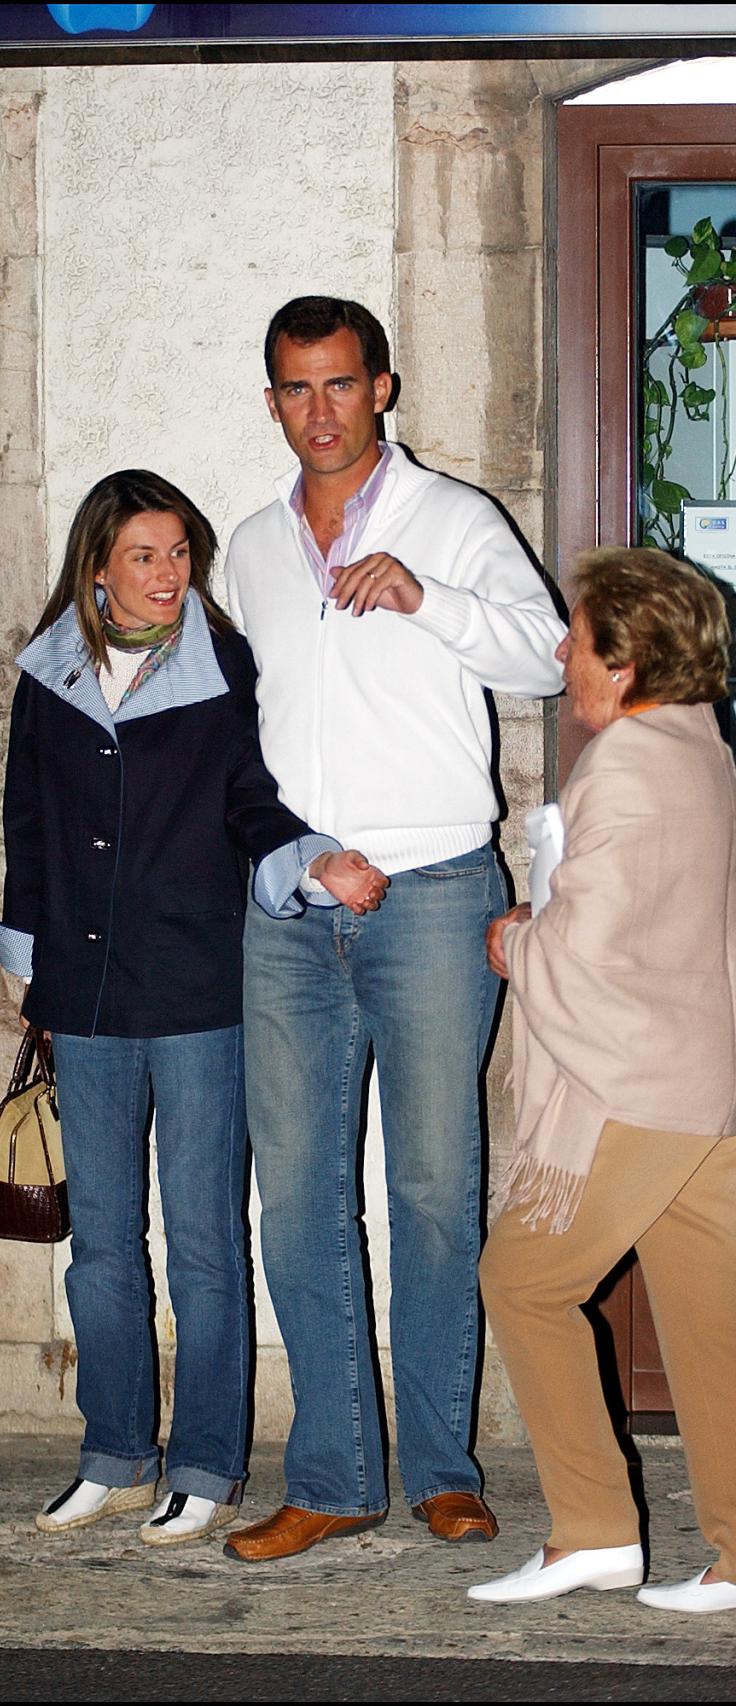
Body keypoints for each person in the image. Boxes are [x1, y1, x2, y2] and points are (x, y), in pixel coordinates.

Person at [221, 297, 566, 1563]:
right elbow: (235, 738)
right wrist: (283, 860)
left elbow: (545, 658)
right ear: (273, 402)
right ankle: (334, 1473)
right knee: (300, 1200)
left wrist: (430, 599)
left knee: (431, 1193)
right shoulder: (253, 548)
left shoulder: (457, 521)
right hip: (295, 911)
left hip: (431, 897)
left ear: (384, 389)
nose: (321, 411)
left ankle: (441, 1469)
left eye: (341, 386)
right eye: (296, 390)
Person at [0, 469, 387, 1548]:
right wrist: (29, 961)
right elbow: (27, 821)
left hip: (201, 986)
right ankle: (116, 1452)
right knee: (103, 1243)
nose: (171, 577)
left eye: (180, 554)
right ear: (99, 569)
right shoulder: (50, 675)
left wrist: (312, 861)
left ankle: (208, 1459)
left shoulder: (221, 668)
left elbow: (253, 798)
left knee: (208, 1240)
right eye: (146, 558)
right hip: (84, 989)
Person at [469, 547, 736, 1613]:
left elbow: (591, 952)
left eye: (577, 636)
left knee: (523, 1281)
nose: (561, 650)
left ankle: (592, 1530)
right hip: (705, 1083)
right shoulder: (703, 748)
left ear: (623, 662)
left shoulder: (624, 762)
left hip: (634, 1089)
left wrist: (515, 942)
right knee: (711, 1327)